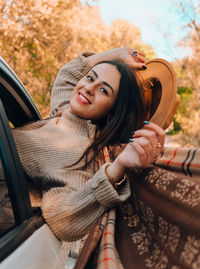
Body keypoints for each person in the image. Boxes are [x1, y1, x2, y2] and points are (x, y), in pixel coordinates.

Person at [12, 47, 165, 242]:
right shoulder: (66, 111)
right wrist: (116, 55)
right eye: (91, 78)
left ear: (112, 110)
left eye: (104, 90)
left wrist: (117, 169)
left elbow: (64, 220)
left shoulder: (77, 152)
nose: (89, 88)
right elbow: (69, 73)